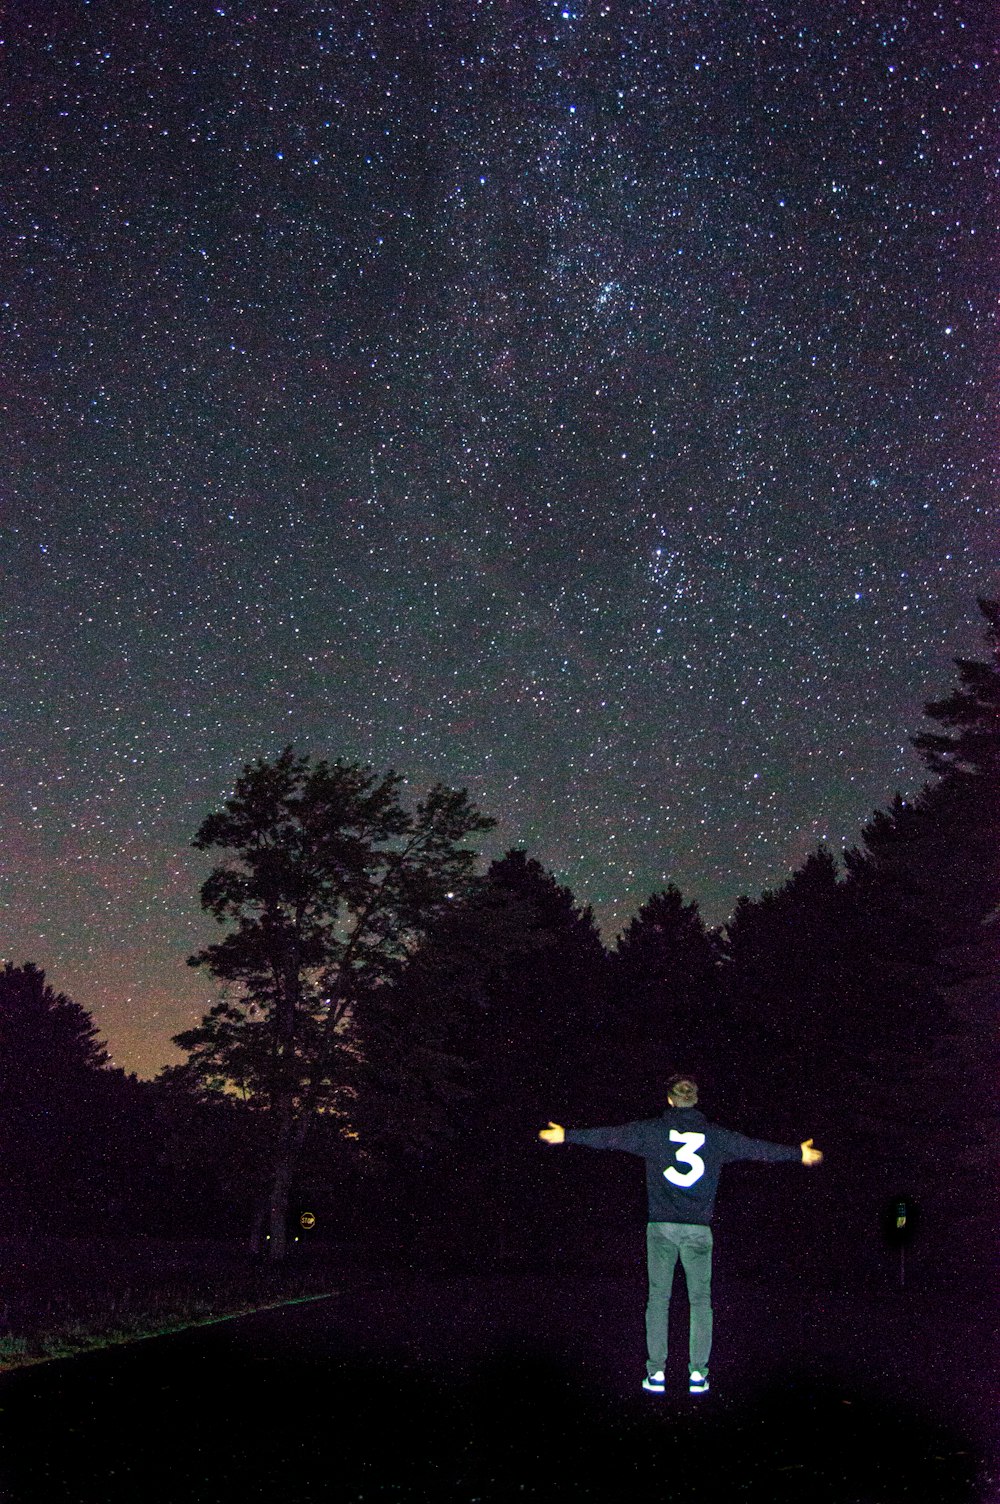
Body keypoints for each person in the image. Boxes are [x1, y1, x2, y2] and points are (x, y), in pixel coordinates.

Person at [538, 1075, 823, 1395]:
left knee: (659, 1299)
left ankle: (656, 1373)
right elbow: (755, 1148)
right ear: (694, 1101)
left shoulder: (652, 1131)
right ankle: (698, 1375)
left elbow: (611, 1137)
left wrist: (567, 1135)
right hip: (698, 1231)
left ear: (670, 1101)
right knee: (701, 1302)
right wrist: (797, 1153)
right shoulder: (716, 1136)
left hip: (661, 1228)